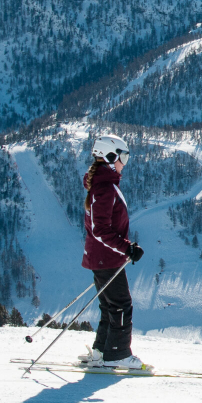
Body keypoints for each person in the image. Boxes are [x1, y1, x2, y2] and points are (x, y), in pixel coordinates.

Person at [80, 134, 147, 369]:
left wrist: (126, 247)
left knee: (110, 306)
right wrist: (126, 247)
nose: (125, 163)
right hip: (106, 258)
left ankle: (101, 351)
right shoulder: (105, 188)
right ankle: (118, 354)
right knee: (121, 305)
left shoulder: (102, 185)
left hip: (102, 257)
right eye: (124, 157)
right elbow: (100, 230)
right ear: (110, 157)